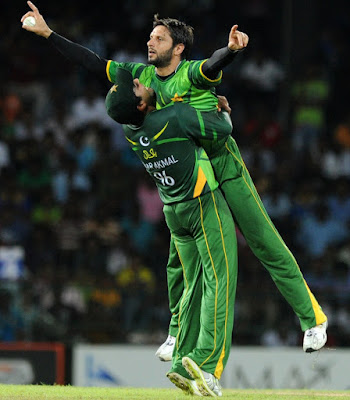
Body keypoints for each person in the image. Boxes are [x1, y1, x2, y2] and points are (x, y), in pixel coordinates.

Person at [21, 0, 327, 359]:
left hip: (222, 163)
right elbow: (92, 62)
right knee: (179, 260)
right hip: (188, 174)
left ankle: (313, 321)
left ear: (178, 48)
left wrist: (230, 50)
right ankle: (177, 333)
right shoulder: (142, 76)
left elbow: (213, 65)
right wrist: (48, 34)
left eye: (160, 38)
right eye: (150, 37)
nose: (150, 43)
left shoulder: (192, 73)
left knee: (263, 241)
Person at [106, 68, 239, 397]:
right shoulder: (176, 116)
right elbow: (222, 131)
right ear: (139, 105)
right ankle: (207, 364)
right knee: (218, 281)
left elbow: (144, 107)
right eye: (137, 87)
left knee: (191, 284)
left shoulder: (129, 129)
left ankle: (180, 361)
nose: (142, 82)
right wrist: (221, 110)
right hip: (201, 204)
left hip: (173, 212)